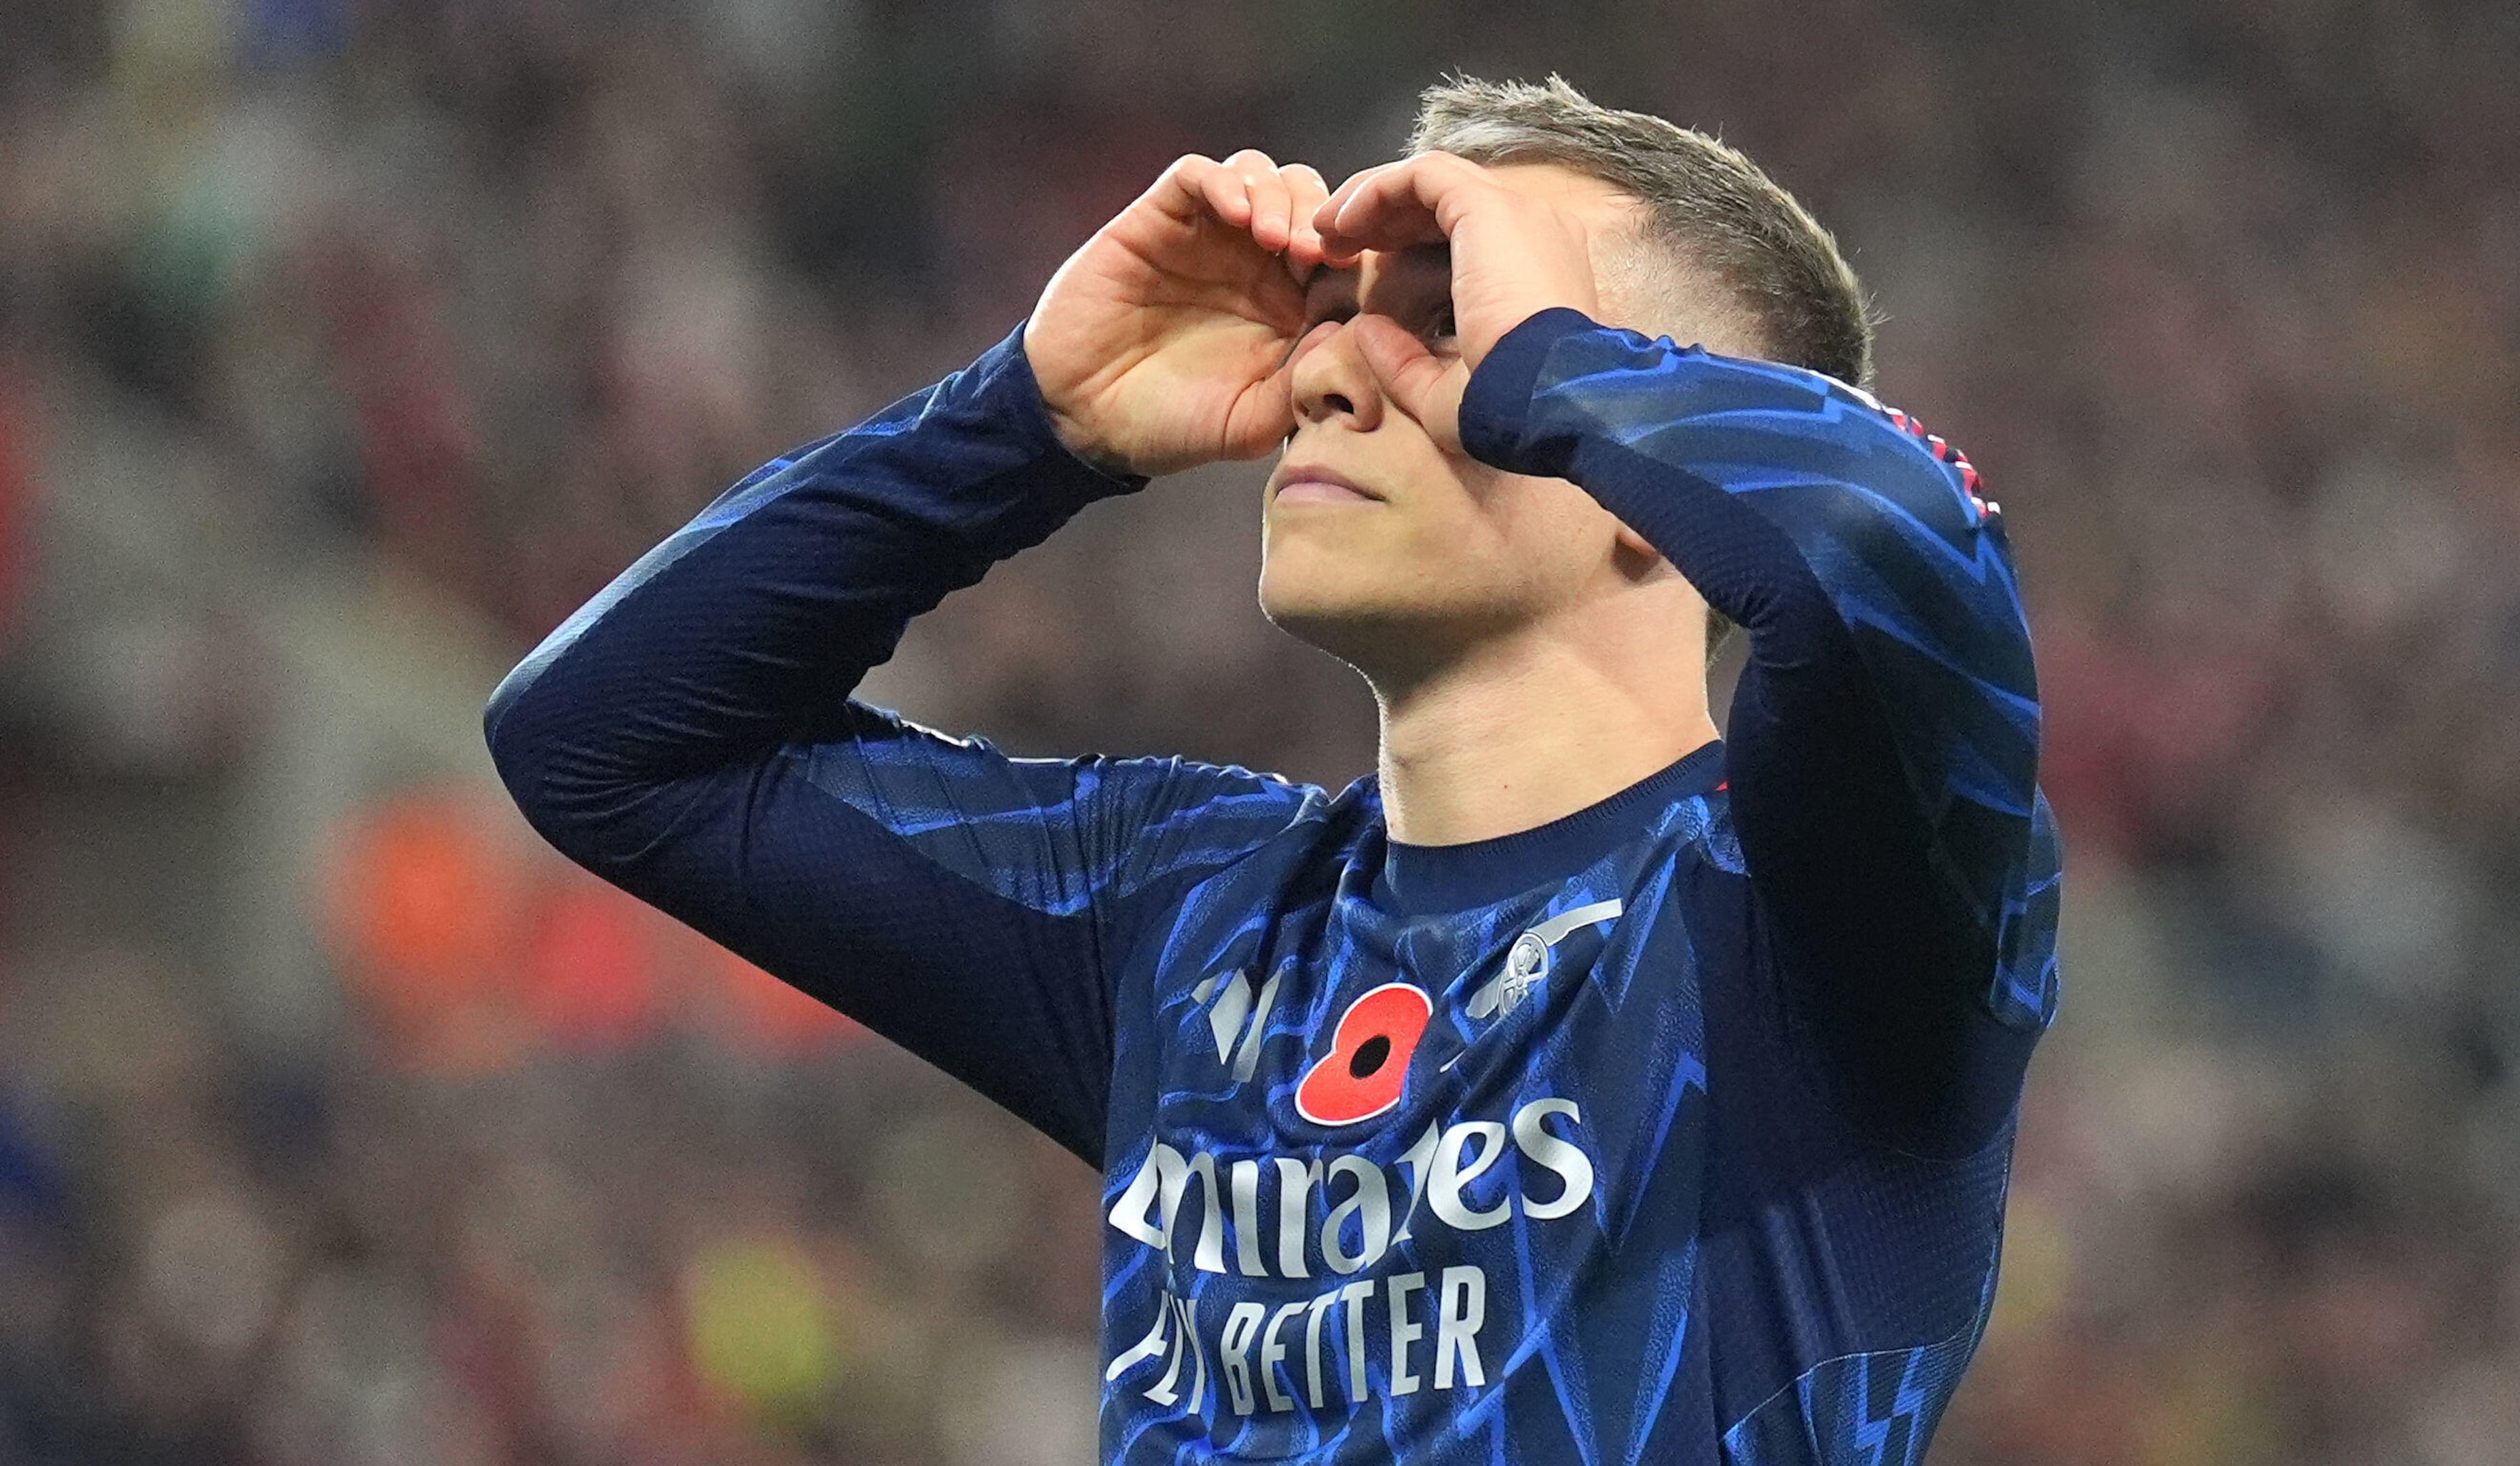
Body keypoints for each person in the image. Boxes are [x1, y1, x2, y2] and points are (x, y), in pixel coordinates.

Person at [486, 73, 2060, 1466]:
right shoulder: (1189, 911)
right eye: (1334, 316)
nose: (1326, 372)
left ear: (1646, 468)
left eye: (1445, 319)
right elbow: (609, 742)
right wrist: (1030, 422)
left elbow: (1892, 542)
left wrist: (1548, 372)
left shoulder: (1822, 921)